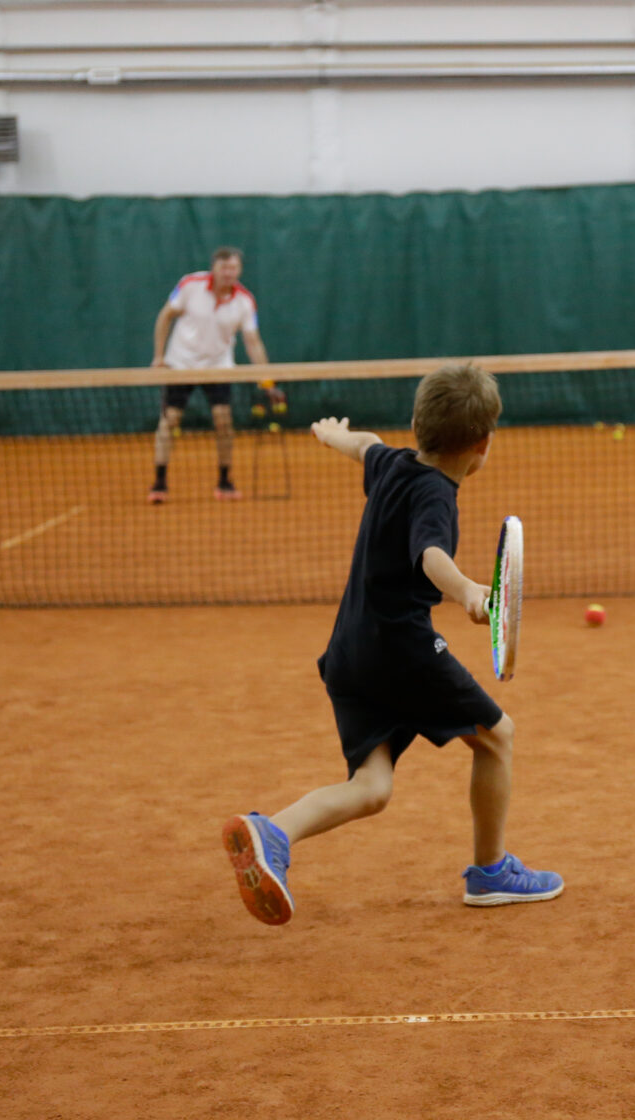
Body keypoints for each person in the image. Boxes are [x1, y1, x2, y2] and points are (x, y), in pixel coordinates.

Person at [221, 362, 563, 925]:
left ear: (417, 423)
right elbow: (431, 555)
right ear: (483, 445)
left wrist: (332, 434)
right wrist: (468, 593)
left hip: (349, 652)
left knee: (372, 786)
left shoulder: (394, 463)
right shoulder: (436, 495)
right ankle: (490, 871)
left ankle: (273, 832)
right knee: (498, 736)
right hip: (400, 651)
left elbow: (367, 445)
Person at [147, 247, 271, 503]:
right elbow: (165, 316)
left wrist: (267, 378)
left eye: (233, 268)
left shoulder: (245, 301)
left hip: (219, 367)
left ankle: (225, 482)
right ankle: (159, 483)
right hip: (180, 364)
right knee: (169, 421)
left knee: (223, 421)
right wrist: (159, 356)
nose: (229, 273)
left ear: (239, 270)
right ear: (214, 267)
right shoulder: (190, 285)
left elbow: (253, 341)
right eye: (224, 267)